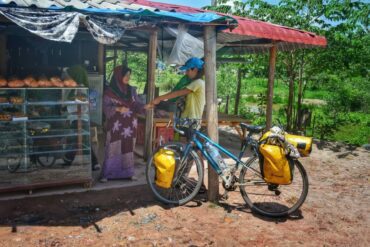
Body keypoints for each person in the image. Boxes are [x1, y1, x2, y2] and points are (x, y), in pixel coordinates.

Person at [101, 66, 149, 182]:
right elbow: (105, 107)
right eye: (125, 75)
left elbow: (136, 104)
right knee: (113, 146)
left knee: (128, 147)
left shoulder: (131, 90)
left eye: (129, 75)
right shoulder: (109, 92)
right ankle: (108, 173)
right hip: (115, 125)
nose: (128, 77)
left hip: (130, 125)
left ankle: (129, 172)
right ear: (118, 76)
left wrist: (144, 106)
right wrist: (117, 108)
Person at [62, 65, 101, 171]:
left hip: (80, 117)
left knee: (80, 139)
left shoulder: (82, 88)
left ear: (75, 76)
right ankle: (93, 162)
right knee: (81, 139)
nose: (67, 77)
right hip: (75, 117)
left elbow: (84, 105)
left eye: (70, 75)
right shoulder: (71, 87)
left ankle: (68, 160)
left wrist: (68, 107)